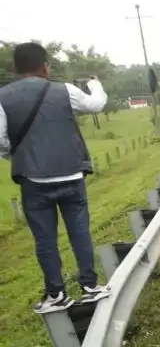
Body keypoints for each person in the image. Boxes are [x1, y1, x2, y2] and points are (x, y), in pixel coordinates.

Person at [0, 42, 111, 313]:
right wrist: (95, 85)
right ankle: (90, 285)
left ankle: (56, 293)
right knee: (80, 231)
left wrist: (19, 155)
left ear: (14, 68)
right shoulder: (65, 90)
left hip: (33, 181)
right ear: (45, 66)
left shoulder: (3, 97)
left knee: (45, 240)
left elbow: (1, 140)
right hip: (71, 174)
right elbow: (95, 105)